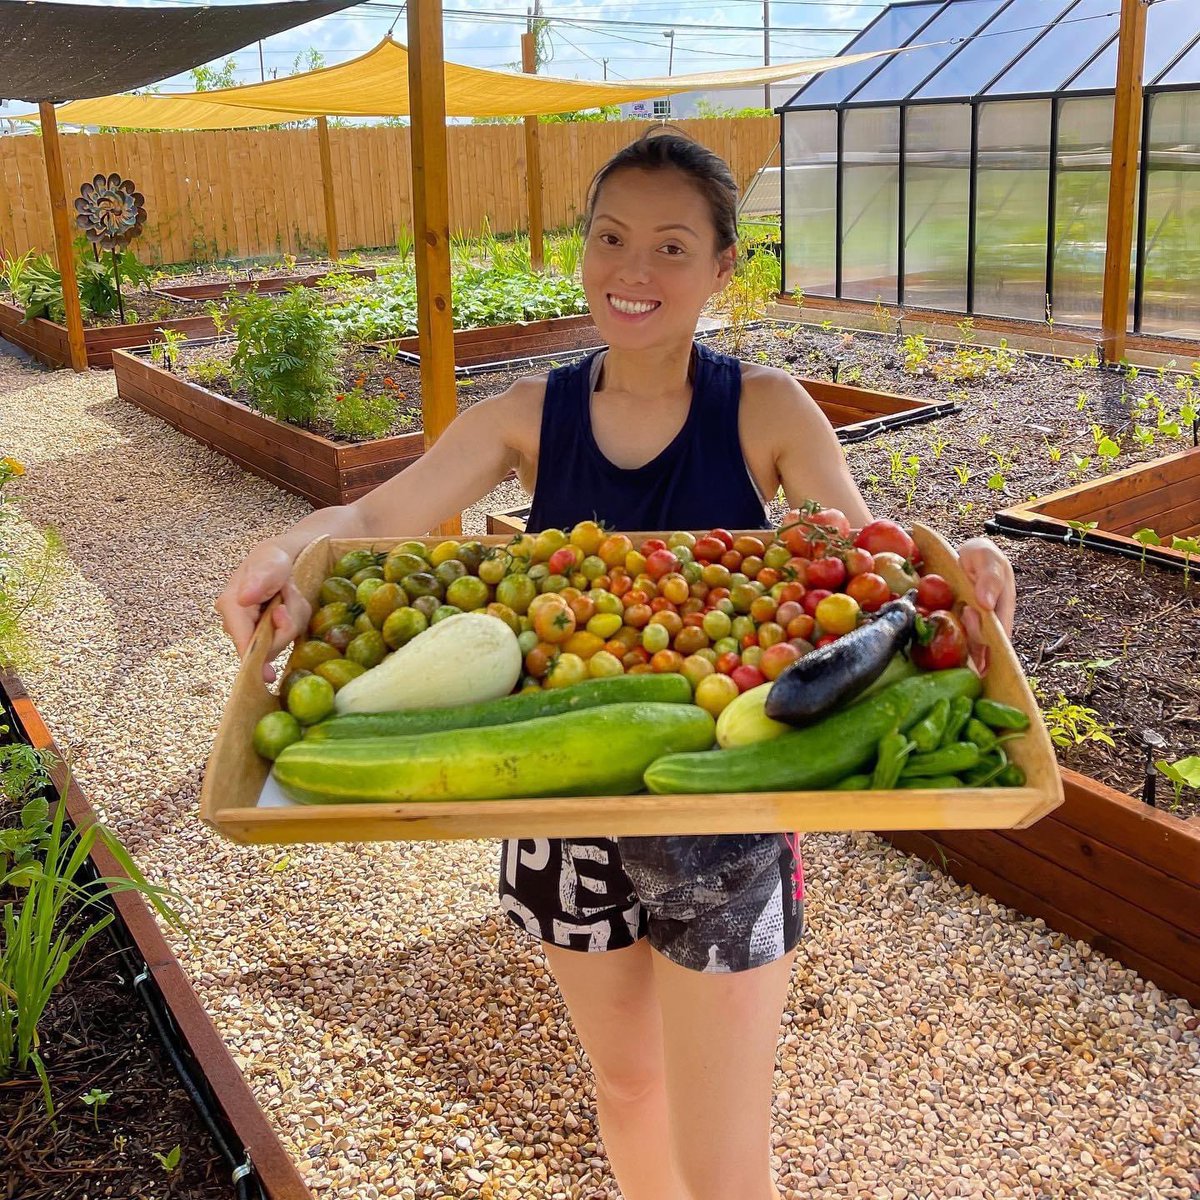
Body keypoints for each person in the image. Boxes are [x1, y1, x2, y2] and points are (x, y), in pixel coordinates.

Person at [216, 132, 1016, 1200]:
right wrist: (286, 552)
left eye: (672, 247)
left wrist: (965, 567)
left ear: (726, 267)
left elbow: (869, 561)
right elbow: (366, 516)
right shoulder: (528, 416)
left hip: (724, 818)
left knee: (726, 1154)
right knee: (628, 1089)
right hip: (557, 807)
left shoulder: (766, 408)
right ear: (582, 247)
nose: (632, 272)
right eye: (610, 238)